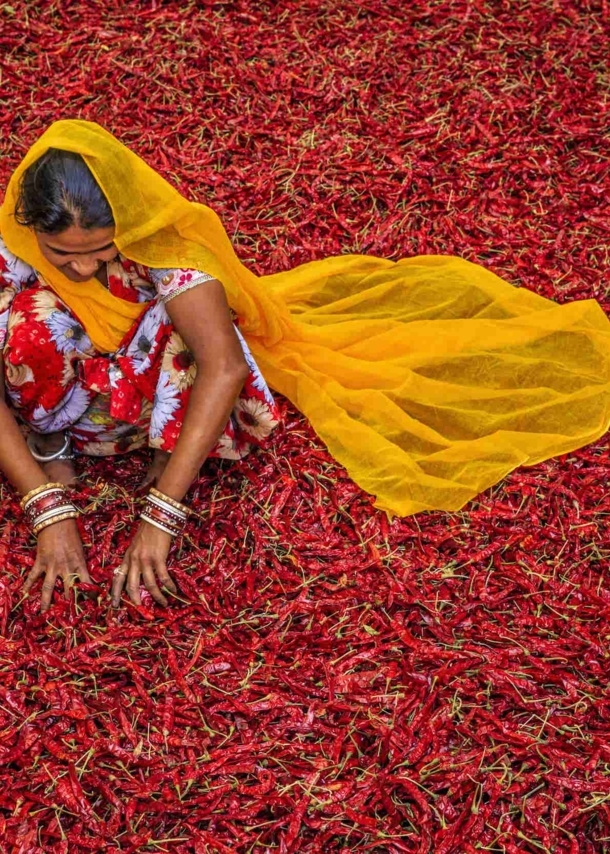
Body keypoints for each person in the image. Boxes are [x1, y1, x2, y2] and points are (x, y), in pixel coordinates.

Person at [3, 120, 610, 613]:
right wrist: (43, 505)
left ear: (126, 226)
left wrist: (162, 513)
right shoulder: (12, 248)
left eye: (100, 252)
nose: (82, 269)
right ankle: (54, 448)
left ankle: (167, 455)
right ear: (32, 228)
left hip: (162, 390)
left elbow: (223, 368)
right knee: (26, 317)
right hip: (75, 399)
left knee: (184, 328)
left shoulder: (166, 249)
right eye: (63, 255)